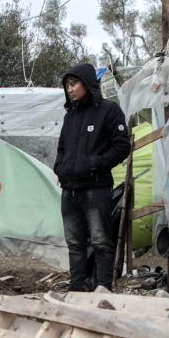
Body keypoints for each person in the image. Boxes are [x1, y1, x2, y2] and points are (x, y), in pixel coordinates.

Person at [53, 63, 131, 291]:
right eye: (67, 85)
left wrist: (94, 164)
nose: (70, 89)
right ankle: (76, 288)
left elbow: (121, 146)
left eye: (74, 84)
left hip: (96, 189)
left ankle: (103, 287)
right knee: (75, 243)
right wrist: (61, 168)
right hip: (70, 190)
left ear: (87, 83)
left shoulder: (109, 110)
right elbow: (61, 148)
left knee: (100, 241)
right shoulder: (71, 116)